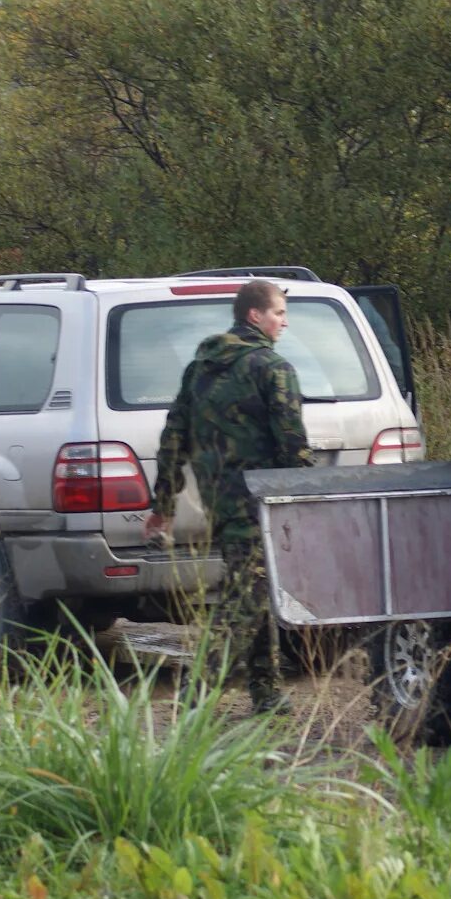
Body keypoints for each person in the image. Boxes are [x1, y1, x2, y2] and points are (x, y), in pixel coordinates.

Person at [144, 280, 314, 714]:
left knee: (254, 591)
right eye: (279, 313)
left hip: (221, 503)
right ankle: (196, 694)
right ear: (254, 315)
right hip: (262, 506)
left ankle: (267, 692)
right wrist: (309, 507)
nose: (285, 322)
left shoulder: (200, 368)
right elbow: (293, 447)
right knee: (247, 599)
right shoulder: (273, 368)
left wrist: (162, 504)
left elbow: (172, 438)